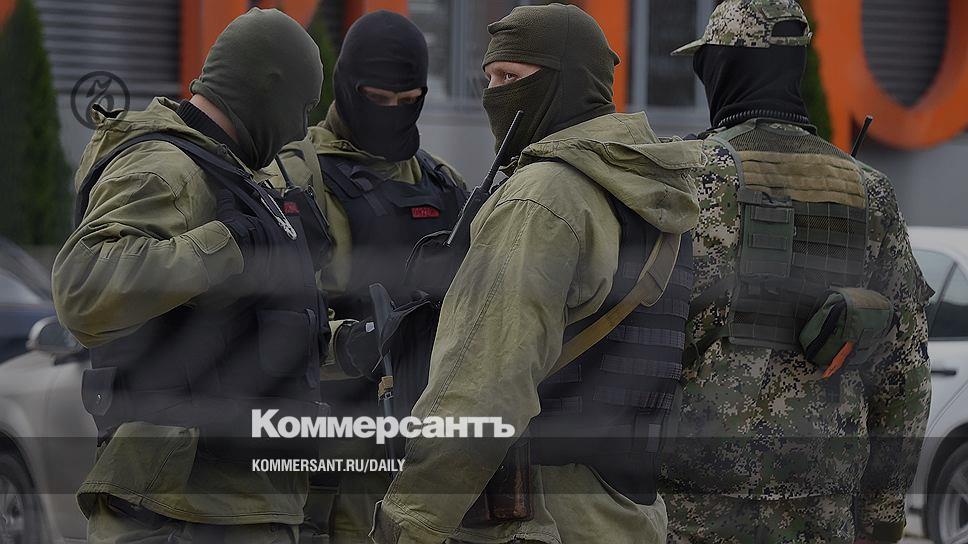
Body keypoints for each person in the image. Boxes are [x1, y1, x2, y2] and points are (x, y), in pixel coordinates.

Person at [369, 4, 705, 543]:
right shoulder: (653, 195)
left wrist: (410, 521)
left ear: (567, 82)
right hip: (628, 517)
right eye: (489, 78)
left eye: (512, 77)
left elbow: (482, 383)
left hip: (539, 520)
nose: (494, 94)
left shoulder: (542, 196)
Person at [658, 1, 933, 542]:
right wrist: (882, 510)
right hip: (822, 501)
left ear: (723, 67)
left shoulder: (683, 177)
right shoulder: (869, 191)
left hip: (689, 499)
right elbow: (904, 368)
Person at [51, 9, 326, 543]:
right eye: (302, 107)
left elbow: (247, 332)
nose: (299, 130)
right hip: (176, 513)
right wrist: (228, 243)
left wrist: (344, 343)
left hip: (235, 508)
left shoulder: (238, 177)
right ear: (268, 87)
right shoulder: (167, 167)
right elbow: (82, 289)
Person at [273, 10, 467, 544]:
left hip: (424, 464)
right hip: (329, 466)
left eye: (409, 100)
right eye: (378, 98)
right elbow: (260, 321)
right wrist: (352, 342)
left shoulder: (445, 184)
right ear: (346, 85)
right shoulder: (295, 174)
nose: (392, 112)